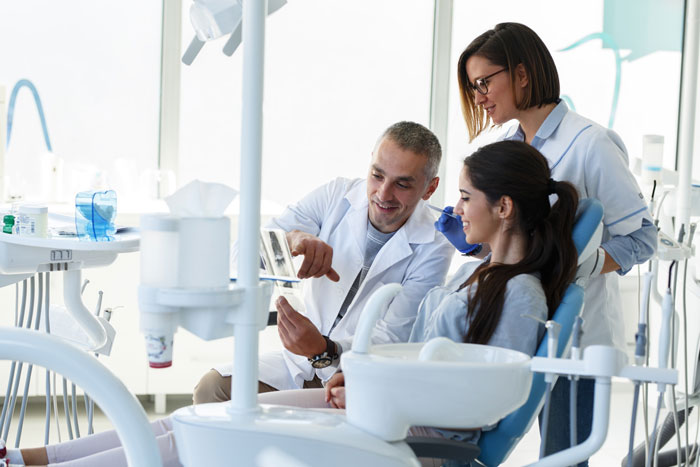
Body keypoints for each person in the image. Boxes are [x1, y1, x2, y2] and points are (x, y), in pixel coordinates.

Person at [1, 140, 579, 467]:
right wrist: (295, 246)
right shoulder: (481, 273)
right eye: (377, 175)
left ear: (502, 207)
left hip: (399, 426)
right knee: (189, 417)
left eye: (463, 197)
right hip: (372, 400)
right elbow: (251, 248)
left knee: (196, 437)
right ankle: (28, 459)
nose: (457, 211)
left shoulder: (515, 291)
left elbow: (479, 408)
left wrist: (356, 376)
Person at [435, 22, 657, 464]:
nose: (478, 97)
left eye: (484, 82)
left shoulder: (591, 143)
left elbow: (643, 239)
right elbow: (516, 237)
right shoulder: (506, 145)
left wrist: (580, 264)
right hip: (514, 325)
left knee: (564, 458)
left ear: (521, 74)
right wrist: (473, 241)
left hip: (575, 336)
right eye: (472, 86)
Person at [193, 121, 455, 402]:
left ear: (430, 188)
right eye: (377, 175)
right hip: (297, 364)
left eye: (402, 184)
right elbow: (240, 257)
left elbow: (393, 338)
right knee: (212, 390)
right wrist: (289, 241)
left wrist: (323, 349)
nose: (383, 193)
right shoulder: (336, 196)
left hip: (358, 378)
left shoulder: (435, 245)